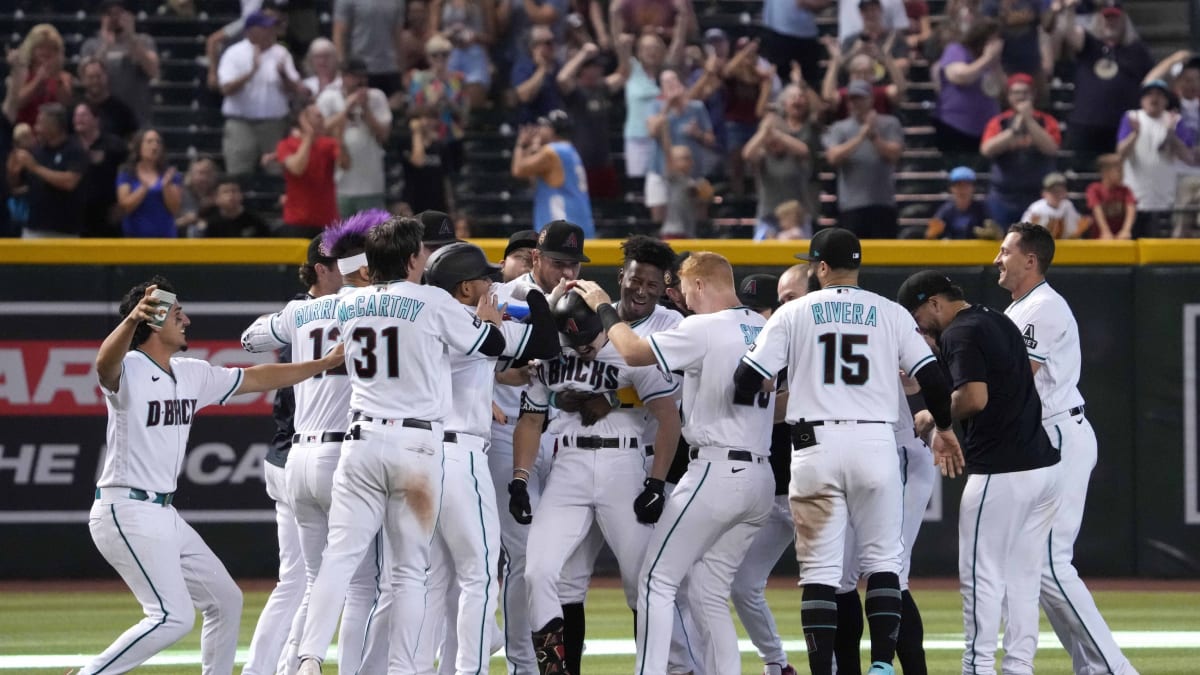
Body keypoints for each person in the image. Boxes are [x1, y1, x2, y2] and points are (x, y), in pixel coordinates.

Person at [81, 276, 344, 675]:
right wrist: (133, 319)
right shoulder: (130, 369)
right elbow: (104, 364)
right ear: (151, 322)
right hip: (126, 508)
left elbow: (257, 377)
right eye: (176, 313)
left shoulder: (190, 373)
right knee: (172, 617)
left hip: (163, 512)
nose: (186, 319)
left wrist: (322, 365)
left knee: (225, 600)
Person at [733, 227, 962, 675]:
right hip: (876, 444)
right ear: (855, 266)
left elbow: (746, 381)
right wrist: (947, 428)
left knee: (821, 573)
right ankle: (880, 665)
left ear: (820, 267)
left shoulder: (794, 313)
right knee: (883, 565)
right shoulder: (891, 312)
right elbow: (934, 379)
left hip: (814, 446)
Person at [294, 216, 508, 675]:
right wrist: (489, 321)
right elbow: (487, 343)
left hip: (361, 440)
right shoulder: (431, 299)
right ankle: (400, 670)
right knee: (410, 571)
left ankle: (309, 657)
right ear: (414, 258)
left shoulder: (348, 302)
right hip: (415, 447)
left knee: (340, 556)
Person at [573, 251, 776, 675]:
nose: (683, 300)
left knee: (655, 581)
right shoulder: (764, 326)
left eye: (684, 290)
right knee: (707, 592)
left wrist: (603, 307)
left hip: (717, 470)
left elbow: (631, 351)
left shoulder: (704, 327)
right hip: (760, 475)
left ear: (700, 284)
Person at [243, 214, 394, 675]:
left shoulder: (300, 310)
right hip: (339, 454)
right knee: (362, 583)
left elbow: (250, 340)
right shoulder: (373, 303)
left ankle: (292, 668)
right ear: (364, 267)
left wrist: (293, 324)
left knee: (311, 581)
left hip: (298, 460)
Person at [897, 269, 1061, 675]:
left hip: (1001, 471)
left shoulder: (961, 332)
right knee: (1022, 576)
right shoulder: (996, 318)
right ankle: (1018, 667)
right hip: (1042, 469)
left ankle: (978, 668)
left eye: (918, 318)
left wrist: (933, 419)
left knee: (980, 576)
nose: (919, 329)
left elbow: (973, 397)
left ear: (934, 303)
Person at [510, 289, 682, 675]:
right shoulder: (553, 357)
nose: (582, 346)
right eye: (574, 339)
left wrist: (656, 483)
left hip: (622, 462)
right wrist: (520, 478)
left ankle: (668, 668)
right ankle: (556, 671)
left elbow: (669, 416)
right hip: (567, 465)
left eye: (586, 337)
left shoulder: (630, 349)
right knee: (539, 573)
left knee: (645, 583)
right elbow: (532, 419)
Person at [995, 223, 1140, 675]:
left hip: (1058, 434)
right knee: (1038, 567)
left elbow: (1019, 379)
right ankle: (1096, 668)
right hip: (1045, 437)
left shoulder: (1043, 307)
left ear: (1030, 260)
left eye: (1006, 251)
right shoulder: (1019, 308)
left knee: (1050, 564)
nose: (998, 258)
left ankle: (1114, 669)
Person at [415, 242, 558, 675]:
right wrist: (529, 295)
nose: (493, 283)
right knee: (478, 578)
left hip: (420, 452)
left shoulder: (424, 319)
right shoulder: (473, 326)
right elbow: (547, 342)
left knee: (432, 580)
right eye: (484, 277)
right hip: (461, 455)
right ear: (464, 288)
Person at [488, 220, 591, 674]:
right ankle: (525, 664)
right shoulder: (503, 298)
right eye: (558, 262)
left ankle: (561, 664)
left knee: (561, 567)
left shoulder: (586, 298)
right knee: (524, 555)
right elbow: (471, 359)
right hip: (510, 431)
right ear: (535, 259)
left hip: (566, 436)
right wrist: (497, 375)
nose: (567, 272)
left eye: (573, 263)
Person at [236, 236, 342, 675]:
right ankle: (286, 667)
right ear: (320, 268)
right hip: (296, 451)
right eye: (341, 263)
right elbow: (250, 342)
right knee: (310, 580)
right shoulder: (311, 311)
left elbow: (249, 340)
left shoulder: (297, 314)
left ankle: (267, 669)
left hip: (290, 456)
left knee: (295, 582)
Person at [728, 271, 800, 675]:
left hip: (811, 487)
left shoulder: (800, 347)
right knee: (742, 585)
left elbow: (777, 409)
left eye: (763, 308)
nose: (757, 316)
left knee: (839, 587)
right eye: (749, 309)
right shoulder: (748, 352)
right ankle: (777, 664)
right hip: (768, 490)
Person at [1058, 2, 1153, 165]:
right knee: (1084, 180)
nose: (1110, 22)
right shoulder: (1089, 44)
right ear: (1099, 21)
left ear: (1124, 21)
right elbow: (1068, 33)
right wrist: (1069, 9)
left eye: (1115, 18)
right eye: (1106, 18)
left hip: (1122, 127)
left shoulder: (1138, 50)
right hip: (1086, 125)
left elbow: (1151, 81)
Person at [218, 11, 304, 178]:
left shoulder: (281, 53)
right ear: (251, 31)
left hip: (273, 123)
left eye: (272, 27)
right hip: (241, 123)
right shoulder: (234, 53)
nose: (271, 31)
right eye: (265, 28)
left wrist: (283, 75)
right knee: (239, 170)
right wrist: (251, 73)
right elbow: (225, 88)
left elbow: (297, 89)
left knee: (277, 170)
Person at [824, 80, 905, 238]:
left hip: (883, 203)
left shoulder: (889, 123)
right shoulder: (839, 128)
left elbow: (895, 154)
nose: (856, 103)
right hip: (851, 205)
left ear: (871, 99)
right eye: (852, 99)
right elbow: (833, 157)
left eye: (860, 98)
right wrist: (860, 137)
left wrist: (874, 136)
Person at [980, 73, 1062, 228]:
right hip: (1003, 196)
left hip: (1037, 196)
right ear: (1009, 96)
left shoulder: (1046, 120)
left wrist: (1029, 120)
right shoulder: (999, 122)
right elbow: (987, 149)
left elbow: (1052, 148)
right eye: (1016, 93)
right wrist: (1013, 130)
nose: (1020, 97)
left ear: (1033, 95)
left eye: (1025, 93)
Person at [1117, 79, 1193, 238]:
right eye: (1150, 94)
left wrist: (1171, 135)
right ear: (1142, 99)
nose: (1154, 98)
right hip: (1135, 192)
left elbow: (1188, 157)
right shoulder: (1132, 117)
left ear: (1166, 100)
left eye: (1159, 95)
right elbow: (1120, 154)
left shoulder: (1174, 120)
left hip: (1165, 194)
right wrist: (1135, 134)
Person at [558, 39, 632, 200]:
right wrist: (583, 54)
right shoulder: (576, 91)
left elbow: (623, 74)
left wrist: (624, 51)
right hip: (581, 161)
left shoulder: (602, 88)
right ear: (585, 70)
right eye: (594, 67)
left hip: (603, 160)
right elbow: (563, 78)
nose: (599, 70)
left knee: (610, 203)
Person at [317, 58, 393, 215]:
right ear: (344, 77)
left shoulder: (377, 97)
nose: (360, 81)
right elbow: (320, 131)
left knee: (374, 236)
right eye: (355, 76)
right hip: (339, 183)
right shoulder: (329, 97)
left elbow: (384, 134)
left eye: (363, 76)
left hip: (371, 184)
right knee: (343, 236)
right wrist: (346, 109)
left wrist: (365, 109)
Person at [745, 86, 820, 241]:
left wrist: (778, 133)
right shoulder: (763, 157)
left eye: (777, 139)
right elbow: (747, 154)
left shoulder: (795, 155)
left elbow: (804, 150)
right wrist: (764, 132)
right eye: (771, 140)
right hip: (768, 216)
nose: (774, 142)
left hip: (796, 218)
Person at [7, 102, 87, 238]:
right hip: (33, 229)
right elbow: (18, 187)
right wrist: (12, 172)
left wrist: (35, 168)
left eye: (41, 123)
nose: (36, 128)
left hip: (63, 232)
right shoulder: (36, 151)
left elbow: (70, 182)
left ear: (55, 126)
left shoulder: (74, 150)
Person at [511, 110, 596, 235]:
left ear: (552, 130)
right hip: (579, 223)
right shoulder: (570, 150)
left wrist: (521, 144)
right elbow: (534, 180)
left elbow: (518, 170)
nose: (540, 129)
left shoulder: (552, 151)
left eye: (544, 126)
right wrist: (535, 146)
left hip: (560, 229)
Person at [646, 69, 715, 223]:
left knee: (697, 215)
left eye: (674, 80)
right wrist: (668, 106)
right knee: (659, 217)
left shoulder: (696, 107)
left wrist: (698, 133)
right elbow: (652, 132)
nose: (671, 85)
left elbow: (711, 140)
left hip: (692, 171)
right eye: (667, 82)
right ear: (661, 88)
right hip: (661, 169)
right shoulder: (655, 106)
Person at [931, 18, 1004, 159]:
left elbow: (999, 89)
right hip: (955, 126)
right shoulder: (956, 50)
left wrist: (995, 64)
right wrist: (987, 59)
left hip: (985, 128)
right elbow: (960, 77)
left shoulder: (992, 61)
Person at [80, 0, 160, 126]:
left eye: (119, 13)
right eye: (110, 14)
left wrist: (130, 37)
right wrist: (105, 45)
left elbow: (153, 71)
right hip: (103, 119)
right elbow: (85, 77)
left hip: (138, 116)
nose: (115, 18)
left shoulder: (144, 41)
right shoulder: (91, 45)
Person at [276, 104, 348, 238]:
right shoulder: (286, 144)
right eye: (318, 116)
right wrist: (309, 137)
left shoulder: (329, 143)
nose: (322, 120)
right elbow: (297, 169)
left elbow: (345, 164)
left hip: (328, 220)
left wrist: (341, 139)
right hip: (297, 221)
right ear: (303, 120)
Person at [623, 29, 686, 180]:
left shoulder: (668, 74)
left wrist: (681, 23)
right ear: (638, 52)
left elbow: (678, 45)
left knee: (668, 181)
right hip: (638, 137)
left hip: (667, 137)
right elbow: (621, 49)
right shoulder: (632, 69)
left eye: (655, 48)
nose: (651, 52)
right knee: (639, 182)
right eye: (646, 48)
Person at [407, 35, 469, 174]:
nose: (440, 59)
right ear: (428, 58)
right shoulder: (420, 79)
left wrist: (448, 100)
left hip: (452, 137)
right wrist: (432, 102)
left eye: (444, 55)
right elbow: (413, 111)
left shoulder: (458, 80)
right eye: (435, 55)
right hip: (427, 138)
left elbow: (464, 116)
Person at [73, 101, 128, 238]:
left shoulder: (115, 145)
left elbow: (129, 172)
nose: (79, 119)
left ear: (96, 120)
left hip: (107, 215)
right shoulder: (70, 146)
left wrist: (121, 204)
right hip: (76, 216)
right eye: (76, 115)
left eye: (83, 115)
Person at [117, 129, 184, 238]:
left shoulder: (170, 174)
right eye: (149, 142)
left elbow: (175, 209)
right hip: (135, 238)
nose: (154, 146)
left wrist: (166, 187)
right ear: (139, 146)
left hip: (165, 237)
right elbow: (125, 206)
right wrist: (143, 189)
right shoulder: (127, 173)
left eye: (158, 142)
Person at [332, 0, 407, 96]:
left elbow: (398, 36)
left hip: (390, 68)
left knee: (396, 108)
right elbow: (339, 34)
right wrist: (341, 70)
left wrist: (403, 70)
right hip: (359, 71)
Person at [11, 24, 74, 127]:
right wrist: (38, 81)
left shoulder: (64, 77)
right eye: (41, 47)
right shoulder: (21, 74)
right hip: (25, 132)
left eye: (50, 48)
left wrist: (56, 77)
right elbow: (16, 103)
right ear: (31, 49)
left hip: (54, 134)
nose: (46, 52)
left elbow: (66, 104)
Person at [760, 0, 828, 89]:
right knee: (773, 85)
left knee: (807, 86)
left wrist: (809, 3)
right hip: (774, 32)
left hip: (804, 38)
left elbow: (824, 3)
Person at [401, 108, 453, 215]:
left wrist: (450, 204)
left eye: (432, 118)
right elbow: (419, 161)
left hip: (438, 205)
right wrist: (417, 132)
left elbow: (445, 178)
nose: (429, 122)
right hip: (414, 204)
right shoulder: (406, 143)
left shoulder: (441, 146)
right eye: (425, 118)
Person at [658, 145, 714, 239]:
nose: (689, 161)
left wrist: (705, 197)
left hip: (689, 232)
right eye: (684, 158)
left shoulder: (693, 182)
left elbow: (702, 213)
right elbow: (668, 162)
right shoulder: (672, 179)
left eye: (689, 158)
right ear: (673, 161)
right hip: (673, 233)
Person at [76, 57, 139, 140]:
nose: (95, 81)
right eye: (91, 77)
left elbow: (133, 139)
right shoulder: (75, 108)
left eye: (98, 76)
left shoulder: (122, 110)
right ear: (83, 80)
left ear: (106, 76)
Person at [513, 26, 566, 124]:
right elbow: (524, 96)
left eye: (553, 41)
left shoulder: (559, 67)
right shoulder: (524, 66)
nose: (553, 46)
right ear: (533, 46)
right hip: (534, 125)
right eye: (548, 43)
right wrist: (542, 68)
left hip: (558, 123)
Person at [927, 165, 991, 239]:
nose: (962, 190)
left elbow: (993, 233)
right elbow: (930, 235)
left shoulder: (982, 209)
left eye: (966, 185)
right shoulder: (945, 210)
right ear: (951, 188)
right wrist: (933, 233)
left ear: (973, 188)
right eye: (958, 185)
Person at [1086, 153, 1137, 240]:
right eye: (1119, 171)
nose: (1123, 174)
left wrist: (1126, 230)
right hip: (1099, 238)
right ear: (1106, 172)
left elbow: (1131, 210)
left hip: (1120, 238)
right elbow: (1097, 210)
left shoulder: (1125, 190)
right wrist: (1105, 231)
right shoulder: (1094, 189)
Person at [201, 177, 272, 237]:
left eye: (234, 191)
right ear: (216, 198)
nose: (231, 196)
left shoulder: (256, 221)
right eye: (225, 192)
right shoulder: (211, 224)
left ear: (241, 196)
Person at [1021, 172, 1085, 238]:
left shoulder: (1068, 206)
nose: (1057, 194)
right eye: (1053, 191)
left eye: (1060, 191)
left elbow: (1074, 232)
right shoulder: (1036, 209)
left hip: (1064, 245)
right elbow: (1024, 233)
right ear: (1044, 193)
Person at [176, 157, 221, 236]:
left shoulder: (220, 192)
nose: (204, 178)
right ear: (190, 175)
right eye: (200, 173)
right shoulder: (179, 193)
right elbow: (168, 225)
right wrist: (185, 220)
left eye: (208, 173)